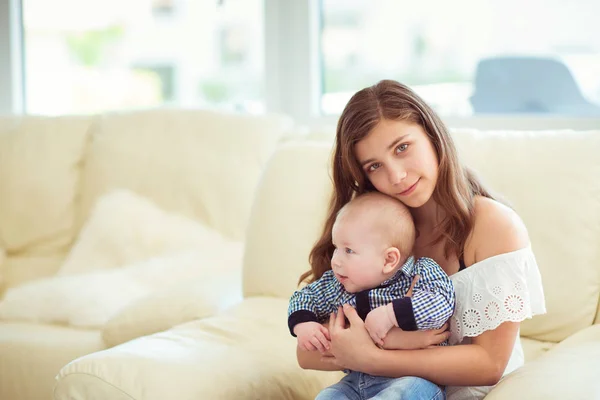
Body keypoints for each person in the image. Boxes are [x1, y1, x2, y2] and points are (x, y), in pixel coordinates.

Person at [297, 80, 546, 400]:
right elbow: (306, 354)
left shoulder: (493, 225)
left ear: (432, 135)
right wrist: (394, 344)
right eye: (375, 166)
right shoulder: (376, 229)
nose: (397, 175)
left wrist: (372, 356)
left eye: (402, 148)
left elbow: (489, 363)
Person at [288, 192, 455, 399]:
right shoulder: (336, 283)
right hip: (356, 381)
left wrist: (390, 314)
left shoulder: (420, 272)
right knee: (327, 396)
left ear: (388, 260)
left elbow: (441, 303)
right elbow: (305, 297)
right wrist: (303, 324)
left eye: (348, 251)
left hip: (411, 378)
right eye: (336, 249)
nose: (336, 261)